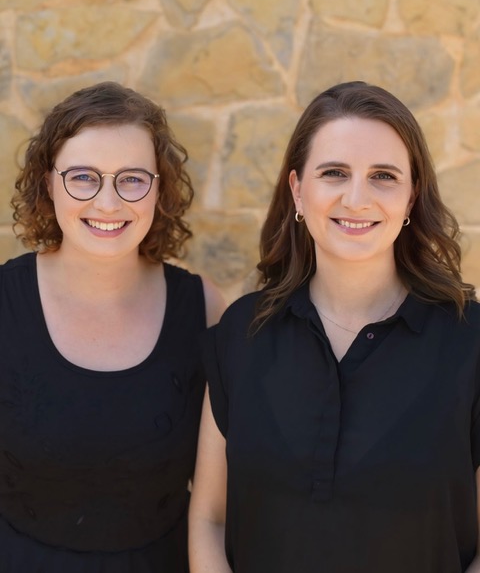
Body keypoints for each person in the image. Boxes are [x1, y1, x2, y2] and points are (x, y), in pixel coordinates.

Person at [188, 81, 480, 573]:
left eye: (383, 176)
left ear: (411, 197)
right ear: (298, 191)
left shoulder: (470, 342)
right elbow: (210, 520)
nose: (356, 198)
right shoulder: (243, 332)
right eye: (334, 173)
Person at [0, 81, 224, 573]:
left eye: (132, 179)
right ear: (48, 183)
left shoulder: (205, 309)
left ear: (159, 189)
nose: (108, 203)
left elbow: (219, 502)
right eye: (83, 177)